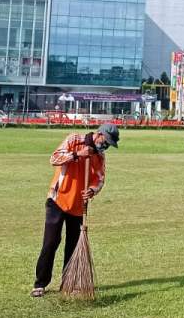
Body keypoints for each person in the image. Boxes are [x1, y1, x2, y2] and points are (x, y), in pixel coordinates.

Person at [32, 124, 119, 296]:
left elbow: (100, 178)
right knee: (51, 242)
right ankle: (40, 283)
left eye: (109, 144)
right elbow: (54, 158)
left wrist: (92, 190)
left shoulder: (99, 156)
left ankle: (68, 283)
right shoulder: (74, 140)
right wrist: (77, 154)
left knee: (72, 246)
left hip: (79, 205)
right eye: (105, 142)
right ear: (98, 134)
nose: (105, 146)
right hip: (58, 200)